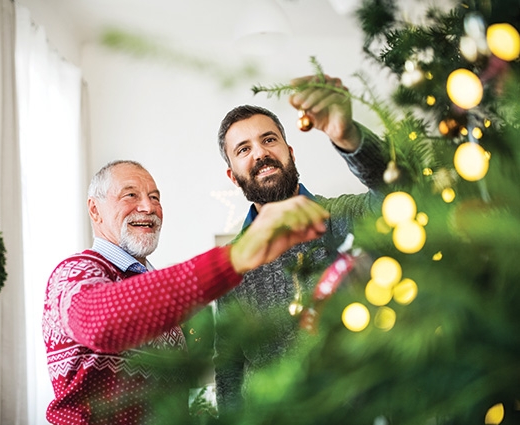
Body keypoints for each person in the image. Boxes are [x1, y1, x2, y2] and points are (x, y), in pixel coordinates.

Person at [42, 159, 332, 425]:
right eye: (131, 195)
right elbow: (99, 321)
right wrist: (234, 257)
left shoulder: (157, 291)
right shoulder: (75, 272)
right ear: (95, 209)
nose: (148, 207)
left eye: (155, 197)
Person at [213, 75, 390, 417]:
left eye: (269, 140)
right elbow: (229, 365)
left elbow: (398, 195)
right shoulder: (230, 263)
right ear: (232, 176)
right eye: (244, 149)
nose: (261, 153)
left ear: (290, 152)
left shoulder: (348, 215)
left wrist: (348, 136)